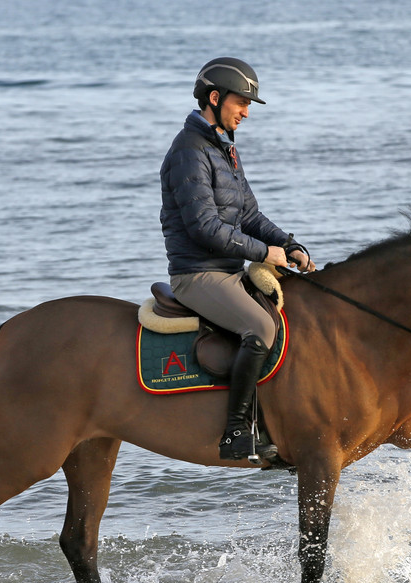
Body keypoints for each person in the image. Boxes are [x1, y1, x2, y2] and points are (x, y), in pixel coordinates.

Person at [160, 57, 313, 461]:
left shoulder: (224, 148)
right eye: (241, 102)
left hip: (227, 270)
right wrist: (265, 252)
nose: (246, 112)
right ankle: (237, 432)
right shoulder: (188, 151)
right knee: (260, 326)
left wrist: (290, 244)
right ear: (214, 97)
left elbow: (248, 216)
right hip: (198, 275)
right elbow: (203, 228)